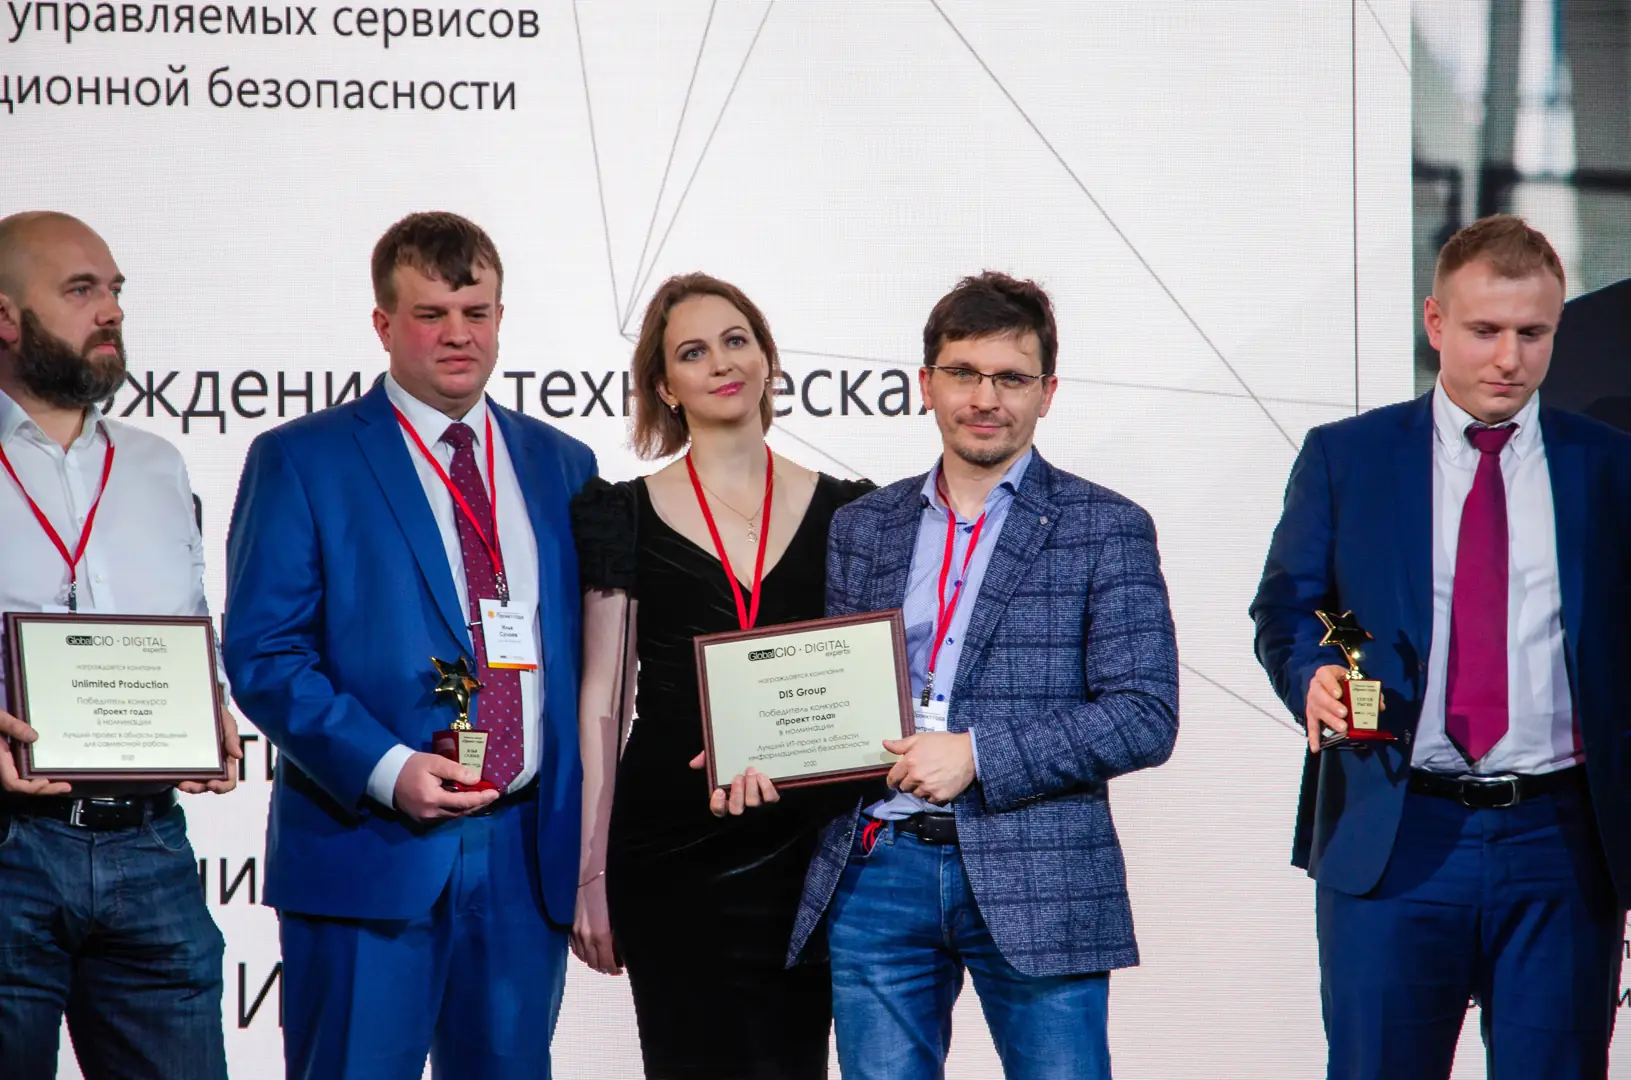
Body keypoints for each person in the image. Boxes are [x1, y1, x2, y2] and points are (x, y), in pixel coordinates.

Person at [1251, 214, 1631, 1079]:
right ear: (1434, 322)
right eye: (1484, 330)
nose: (1508, 359)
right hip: (1393, 830)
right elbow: (1291, 605)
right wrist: (1313, 670)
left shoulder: (1610, 467)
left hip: (1562, 842)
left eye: (1531, 333)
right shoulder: (1347, 458)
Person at [223, 212, 595, 1079]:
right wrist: (388, 769)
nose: (458, 334)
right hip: (367, 843)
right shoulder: (302, 458)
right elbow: (265, 654)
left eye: (476, 312)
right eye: (431, 314)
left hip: (523, 853)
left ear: (500, 317)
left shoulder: (563, 463)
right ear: (383, 324)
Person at [788, 271, 1179, 1080]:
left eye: (1011, 377)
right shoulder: (863, 526)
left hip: (1041, 870)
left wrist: (978, 754)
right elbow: (832, 692)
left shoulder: (1106, 526)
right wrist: (769, 747)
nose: (984, 397)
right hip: (878, 867)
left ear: (1047, 392)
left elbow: (1144, 713)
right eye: (963, 373)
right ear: (925, 384)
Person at [569, 272, 873, 1079]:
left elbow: (870, 686)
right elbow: (602, 699)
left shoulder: (851, 511)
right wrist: (590, 872)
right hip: (671, 843)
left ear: (766, 357)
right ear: (665, 387)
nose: (721, 363)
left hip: (806, 846)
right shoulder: (620, 512)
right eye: (693, 352)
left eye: (736, 340)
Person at [0, 211, 239, 1080]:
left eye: (114, 290)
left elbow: (190, 615)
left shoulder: (156, 464)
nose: (111, 311)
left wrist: (209, 707)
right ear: (5, 317)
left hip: (151, 847)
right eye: (80, 290)